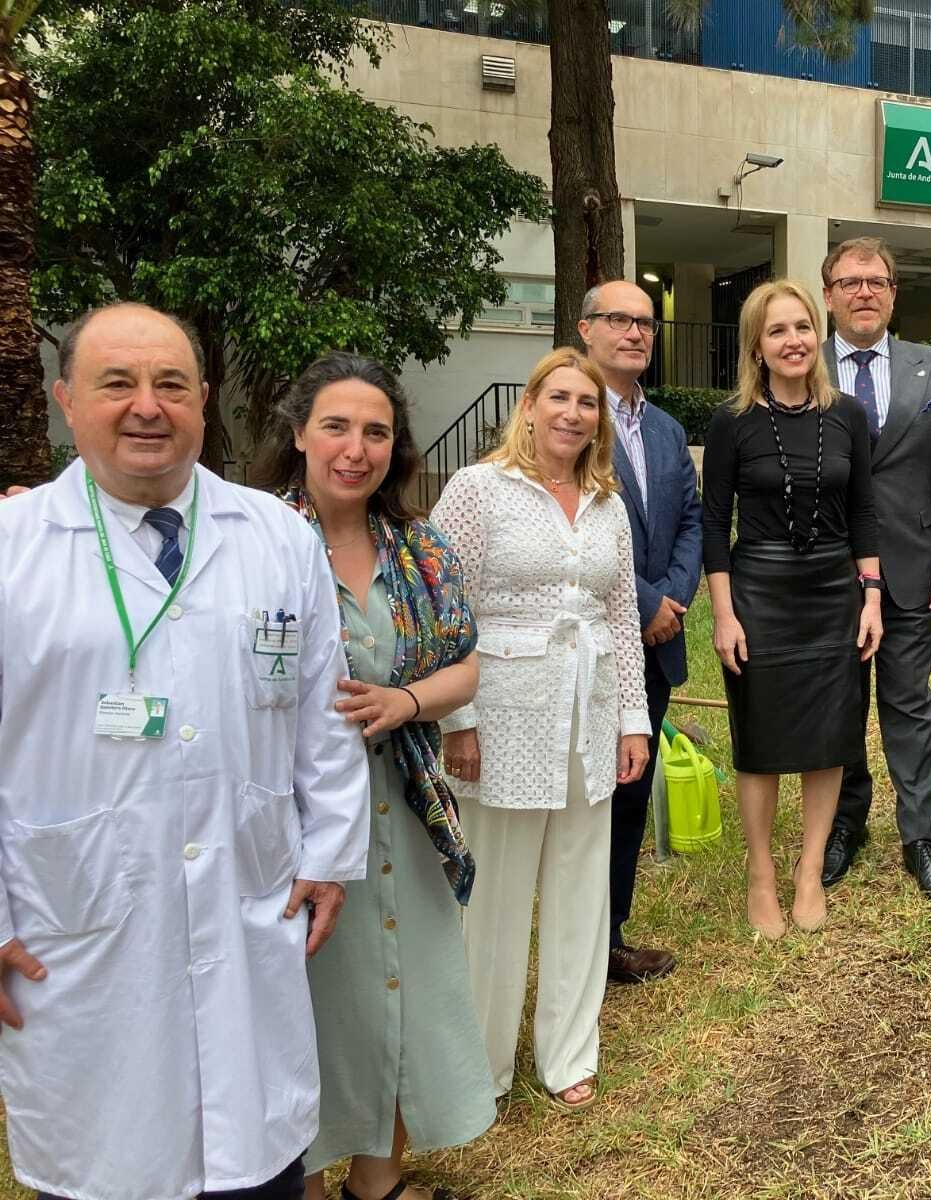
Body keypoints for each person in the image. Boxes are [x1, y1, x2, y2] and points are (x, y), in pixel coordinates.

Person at [0, 303, 369, 1200]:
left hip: (250, 904)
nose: (146, 407)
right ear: (65, 400)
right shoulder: (12, 551)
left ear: (203, 401)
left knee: (256, 1165)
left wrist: (327, 855)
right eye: (116, 383)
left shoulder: (275, 536)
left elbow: (325, 710)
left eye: (171, 384)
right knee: (112, 1163)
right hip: (75, 924)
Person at [257, 352, 495, 1200]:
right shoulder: (254, 545)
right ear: (297, 434)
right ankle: (307, 1184)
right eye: (336, 427)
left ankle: (378, 1181)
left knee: (408, 1006)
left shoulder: (419, 549)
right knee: (317, 1016)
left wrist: (406, 700)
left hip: (406, 811)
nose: (356, 449)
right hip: (298, 831)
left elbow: (466, 667)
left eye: (377, 432)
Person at [431, 348, 651, 1111]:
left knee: (581, 889)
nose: (572, 413)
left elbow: (621, 615)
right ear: (529, 405)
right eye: (558, 397)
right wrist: (457, 719)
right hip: (500, 715)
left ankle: (568, 1054)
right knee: (492, 898)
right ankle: (481, 1068)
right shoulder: (478, 489)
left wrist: (634, 721)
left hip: (588, 714)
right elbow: (444, 607)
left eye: (586, 403)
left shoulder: (607, 503)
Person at [702, 279, 883, 938]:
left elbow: (863, 511)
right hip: (758, 594)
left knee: (827, 738)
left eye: (802, 327)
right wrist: (723, 614)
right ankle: (760, 875)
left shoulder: (848, 417)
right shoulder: (732, 423)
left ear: (818, 334)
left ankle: (808, 870)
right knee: (760, 743)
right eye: (777, 330)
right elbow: (714, 522)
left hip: (834, 595)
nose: (793, 341)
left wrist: (872, 598)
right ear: (758, 344)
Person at [817, 237, 931, 902]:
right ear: (827, 294)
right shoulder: (803, 363)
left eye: (877, 281)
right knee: (839, 708)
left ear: (892, 293)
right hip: (827, 578)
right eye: (851, 281)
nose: (865, 292)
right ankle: (844, 826)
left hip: (914, 574)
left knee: (908, 705)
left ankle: (920, 838)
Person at [576, 281, 703, 987]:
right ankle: (574, 945)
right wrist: (645, 602)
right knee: (583, 801)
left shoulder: (663, 427)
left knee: (629, 791)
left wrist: (673, 599)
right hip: (590, 645)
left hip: (654, 645)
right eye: (619, 320)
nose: (636, 333)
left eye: (646, 323)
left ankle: (609, 936)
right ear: (585, 328)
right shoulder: (562, 413)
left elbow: (689, 519)